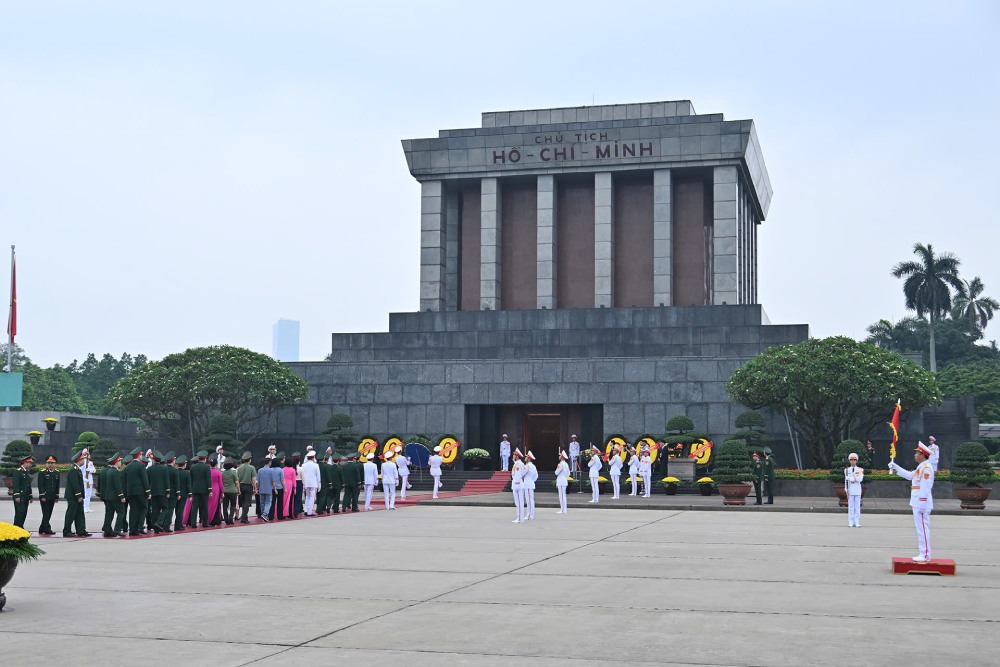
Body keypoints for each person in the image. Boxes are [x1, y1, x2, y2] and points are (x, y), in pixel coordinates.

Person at [889, 442, 936, 562]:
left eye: (917, 453)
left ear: (923, 455)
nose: (915, 455)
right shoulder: (921, 467)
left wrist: (922, 503)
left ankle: (925, 554)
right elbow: (910, 476)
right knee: (920, 530)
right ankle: (923, 553)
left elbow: (925, 487)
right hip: (917, 501)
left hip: (921, 503)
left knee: (923, 530)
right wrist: (896, 467)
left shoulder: (926, 468)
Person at [63, 450, 91, 537]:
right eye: (82, 460)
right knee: (71, 514)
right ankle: (66, 531)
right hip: (73, 497)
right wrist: (79, 495)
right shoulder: (73, 470)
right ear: (79, 460)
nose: (83, 461)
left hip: (78, 497)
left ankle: (81, 530)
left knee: (80, 514)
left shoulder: (77, 469)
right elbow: (75, 485)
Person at [123, 448, 151, 536]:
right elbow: (145, 480)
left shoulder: (128, 467)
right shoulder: (141, 466)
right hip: (141, 492)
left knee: (133, 510)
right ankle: (140, 527)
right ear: (139, 456)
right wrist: (148, 492)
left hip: (131, 492)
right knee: (144, 508)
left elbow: (125, 481)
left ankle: (132, 529)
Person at [99, 453, 127, 537]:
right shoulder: (116, 472)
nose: (120, 463)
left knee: (109, 514)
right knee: (121, 512)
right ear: (116, 462)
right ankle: (117, 529)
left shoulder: (110, 471)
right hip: (115, 497)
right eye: (119, 461)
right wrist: (121, 496)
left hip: (108, 496)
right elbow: (117, 486)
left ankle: (107, 530)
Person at [36, 455, 60, 535]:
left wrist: (57, 495)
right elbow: (40, 485)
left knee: (49, 513)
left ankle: (42, 528)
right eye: (48, 463)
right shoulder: (42, 473)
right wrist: (42, 495)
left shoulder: (57, 473)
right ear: (46, 464)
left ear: (55, 464)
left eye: (52, 463)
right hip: (45, 497)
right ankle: (47, 528)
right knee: (46, 513)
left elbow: (57, 485)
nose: (50, 464)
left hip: (52, 496)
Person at [188, 450, 212, 529]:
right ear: (205, 458)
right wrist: (210, 490)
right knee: (205, 506)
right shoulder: (206, 467)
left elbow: (190, 479)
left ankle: (193, 523)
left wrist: (190, 490)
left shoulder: (193, 467)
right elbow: (208, 479)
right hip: (204, 490)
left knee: (194, 507)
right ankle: (205, 523)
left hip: (195, 489)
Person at [12, 454, 33, 528]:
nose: (31, 464)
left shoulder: (26, 472)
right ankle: (16, 527)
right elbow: (16, 484)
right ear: (25, 462)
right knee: (20, 512)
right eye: (30, 463)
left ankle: (21, 527)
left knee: (24, 512)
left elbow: (28, 485)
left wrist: (30, 495)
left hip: (25, 496)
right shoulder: (18, 472)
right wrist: (17, 495)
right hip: (20, 496)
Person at [845, 452, 864, 528]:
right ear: (849, 460)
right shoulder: (846, 470)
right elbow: (845, 481)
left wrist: (851, 478)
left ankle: (857, 522)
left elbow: (860, 479)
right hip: (850, 489)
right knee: (851, 507)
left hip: (857, 489)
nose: (853, 461)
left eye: (854, 460)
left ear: (857, 461)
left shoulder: (860, 470)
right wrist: (846, 489)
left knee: (857, 507)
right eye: (851, 460)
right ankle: (850, 521)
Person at [236, 452, 256, 523]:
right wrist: (255, 488)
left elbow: (237, 479)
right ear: (249, 459)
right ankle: (244, 517)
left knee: (243, 502)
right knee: (247, 502)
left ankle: (243, 515)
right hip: (248, 486)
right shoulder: (252, 468)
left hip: (241, 486)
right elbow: (253, 479)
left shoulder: (239, 468)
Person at [174, 455, 191, 531]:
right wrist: (190, 494)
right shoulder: (186, 473)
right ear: (184, 464)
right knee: (180, 510)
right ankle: (179, 525)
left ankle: (177, 523)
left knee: (176, 509)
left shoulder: (175, 472)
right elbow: (188, 485)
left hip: (175, 493)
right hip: (183, 494)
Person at [257, 457, 276, 522]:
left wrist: (257, 489)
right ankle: (265, 514)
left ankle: (263, 515)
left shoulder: (259, 470)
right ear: (269, 462)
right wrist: (275, 489)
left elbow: (258, 481)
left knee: (262, 503)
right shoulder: (271, 471)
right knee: (268, 503)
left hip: (261, 489)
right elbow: (273, 481)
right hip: (268, 489)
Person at [302, 450, 321, 516]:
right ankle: (310, 512)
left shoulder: (303, 465)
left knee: (307, 496)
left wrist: (303, 484)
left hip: (306, 483)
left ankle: (306, 510)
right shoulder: (316, 465)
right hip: (313, 483)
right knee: (312, 497)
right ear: (313, 457)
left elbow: (303, 475)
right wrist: (319, 485)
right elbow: (318, 476)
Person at [221, 459, 239, 525]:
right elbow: (236, 482)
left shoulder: (222, 473)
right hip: (233, 491)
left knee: (225, 506)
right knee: (233, 505)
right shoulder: (233, 472)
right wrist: (238, 490)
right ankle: (231, 517)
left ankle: (226, 519)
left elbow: (221, 482)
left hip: (225, 491)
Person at [510, 448, 525, 523]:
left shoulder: (518, 464)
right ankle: (519, 518)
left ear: (517, 456)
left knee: (519, 502)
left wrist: (516, 484)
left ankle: (519, 518)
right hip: (517, 484)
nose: (513, 456)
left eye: (514, 455)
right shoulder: (519, 463)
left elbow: (518, 475)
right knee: (518, 502)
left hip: (517, 485)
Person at [523, 451, 538, 521]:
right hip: (530, 483)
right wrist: (532, 481)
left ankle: (529, 515)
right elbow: (536, 476)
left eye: (526, 457)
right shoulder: (533, 466)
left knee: (529, 501)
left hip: (528, 484)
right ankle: (530, 515)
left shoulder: (527, 466)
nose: (525, 458)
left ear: (528, 458)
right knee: (530, 500)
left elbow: (521, 473)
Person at [282, 455, 297, 519]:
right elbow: (294, 480)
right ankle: (290, 514)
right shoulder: (293, 470)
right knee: (290, 500)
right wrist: (295, 488)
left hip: (283, 485)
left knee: (283, 500)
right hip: (290, 485)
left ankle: (283, 513)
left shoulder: (282, 469)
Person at [81, 449, 96, 513]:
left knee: (89, 495)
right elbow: (81, 471)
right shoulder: (82, 462)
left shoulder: (90, 463)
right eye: (87, 454)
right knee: (85, 495)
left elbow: (94, 470)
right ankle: (84, 507)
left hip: (90, 481)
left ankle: (87, 507)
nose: (89, 455)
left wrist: (89, 470)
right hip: (85, 481)